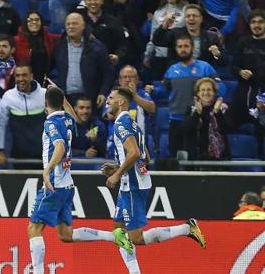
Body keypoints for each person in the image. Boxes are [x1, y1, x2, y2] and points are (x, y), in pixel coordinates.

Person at [27, 86, 133, 274]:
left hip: (54, 184)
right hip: (67, 185)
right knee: (66, 235)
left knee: (33, 229)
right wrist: (61, 96)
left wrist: (47, 170)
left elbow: (59, 147)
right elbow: (71, 113)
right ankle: (114, 237)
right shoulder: (68, 119)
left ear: (45, 104)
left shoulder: (50, 123)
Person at [102, 87, 206, 274]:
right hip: (133, 181)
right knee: (118, 231)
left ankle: (187, 229)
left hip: (132, 185)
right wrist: (119, 167)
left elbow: (134, 153)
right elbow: (146, 157)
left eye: (111, 98)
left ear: (121, 102)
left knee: (135, 238)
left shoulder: (121, 125)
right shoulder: (133, 124)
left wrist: (117, 174)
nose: (107, 101)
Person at [164, 36, 223, 159]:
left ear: (192, 48)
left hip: (198, 120)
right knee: (174, 158)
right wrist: (151, 89)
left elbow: (221, 87)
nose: (183, 49)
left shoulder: (204, 67)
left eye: (186, 46)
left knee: (194, 158)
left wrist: (219, 100)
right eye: (180, 46)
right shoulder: (171, 70)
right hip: (176, 120)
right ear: (176, 49)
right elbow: (163, 91)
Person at [50, 12, 113, 111]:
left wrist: (103, 92)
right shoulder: (59, 46)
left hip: (90, 99)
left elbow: (108, 72)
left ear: (83, 26)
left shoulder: (96, 46)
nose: (71, 26)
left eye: (74, 23)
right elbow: (49, 67)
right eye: (68, 24)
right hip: (65, 99)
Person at [0, 63, 46, 163]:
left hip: (42, 155)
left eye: (24, 75)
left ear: (31, 76)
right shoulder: (8, 97)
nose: (21, 79)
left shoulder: (45, 94)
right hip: (18, 155)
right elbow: (1, 124)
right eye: (17, 76)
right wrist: (0, 150)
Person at [152, 4, 223, 67]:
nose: (191, 18)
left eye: (194, 16)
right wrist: (165, 25)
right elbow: (157, 41)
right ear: (185, 19)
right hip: (179, 75)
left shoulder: (211, 37)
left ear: (201, 19)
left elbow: (222, 60)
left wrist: (216, 54)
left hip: (201, 76)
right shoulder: (175, 33)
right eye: (188, 16)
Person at [144, 0, 188, 80]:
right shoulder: (158, 12)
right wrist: (148, 55)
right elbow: (153, 36)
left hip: (177, 57)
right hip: (159, 57)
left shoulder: (186, 10)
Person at [229, 10, 265, 131]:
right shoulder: (242, 42)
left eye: (260, 22)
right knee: (229, 123)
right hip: (244, 90)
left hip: (263, 90)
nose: (256, 25)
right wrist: (240, 72)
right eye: (253, 22)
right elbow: (233, 66)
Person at [183, 77, 230, 161]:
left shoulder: (222, 108)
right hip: (196, 158)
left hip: (219, 157)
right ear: (197, 93)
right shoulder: (191, 109)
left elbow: (226, 128)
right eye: (202, 90)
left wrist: (217, 112)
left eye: (209, 90)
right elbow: (186, 130)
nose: (206, 93)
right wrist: (197, 113)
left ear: (214, 92)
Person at [79, 0, 127, 66]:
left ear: (102, 1)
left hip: (106, 64)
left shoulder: (113, 21)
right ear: (85, 1)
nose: (93, 2)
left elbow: (122, 44)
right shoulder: (79, 20)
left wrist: (117, 55)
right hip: (82, 64)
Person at [14, 11, 60, 82]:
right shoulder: (16, 41)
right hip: (24, 82)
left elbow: (63, 37)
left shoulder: (48, 38)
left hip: (44, 82)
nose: (34, 22)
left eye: (37, 20)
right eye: (30, 20)